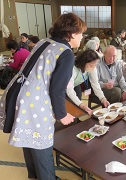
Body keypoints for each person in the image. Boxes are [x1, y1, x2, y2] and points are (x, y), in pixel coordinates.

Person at [0, 13, 87, 180]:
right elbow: (57, 90)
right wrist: (62, 114)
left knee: (28, 140)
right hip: (34, 101)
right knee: (42, 146)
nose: (82, 37)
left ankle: (34, 176)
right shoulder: (66, 53)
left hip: (18, 92)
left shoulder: (45, 41)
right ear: (71, 33)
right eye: (81, 33)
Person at [66, 49, 110, 115]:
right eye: (91, 65)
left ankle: (76, 118)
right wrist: (81, 105)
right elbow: (69, 90)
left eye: (95, 65)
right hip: (63, 86)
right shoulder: (72, 69)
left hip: (76, 84)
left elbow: (95, 84)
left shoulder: (92, 67)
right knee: (71, 104)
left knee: (78, 102)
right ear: (83, 62)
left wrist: (103, 99)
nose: (94, 67)